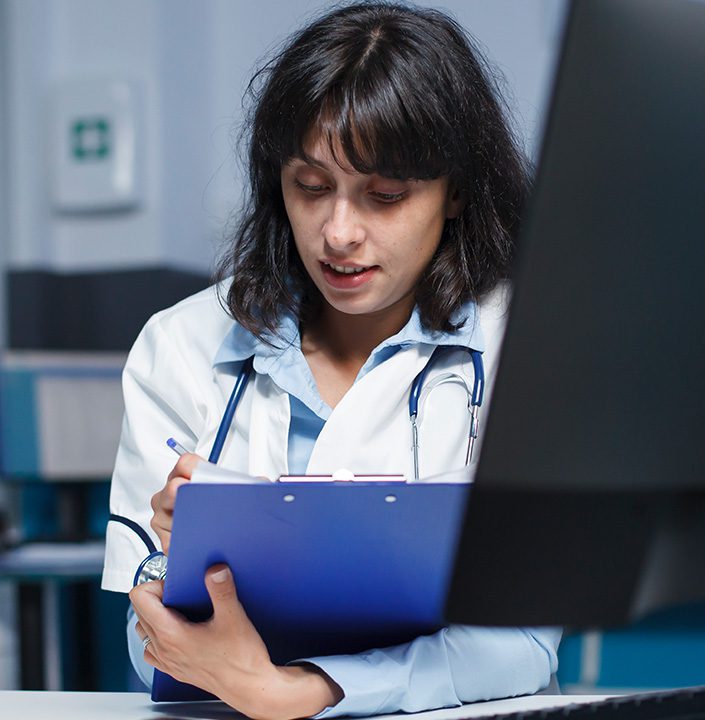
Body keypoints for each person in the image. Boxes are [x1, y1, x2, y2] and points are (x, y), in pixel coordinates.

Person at [102, 3, 561, 718]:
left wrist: (298, 690)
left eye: (385, 195)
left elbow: (523, 641)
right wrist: (177, 563)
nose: (338, 233)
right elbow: (146, 639)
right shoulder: (183, 346)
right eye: (310, 187)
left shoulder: (524, 345)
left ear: (457, 193)